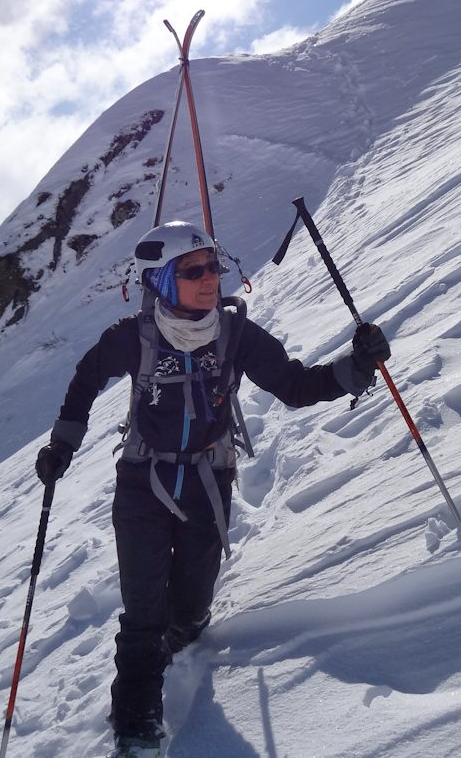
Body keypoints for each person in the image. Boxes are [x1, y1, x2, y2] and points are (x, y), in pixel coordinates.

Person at [34, 220, 390, 758]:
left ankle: (181, 631)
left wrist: (357, 367)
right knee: (143, 613)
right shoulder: (133, 338)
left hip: (207, 479)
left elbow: (294, 386)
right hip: (143, 483)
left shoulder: (235, 334)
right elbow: (85, 379)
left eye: (212, 266)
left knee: (192, 606)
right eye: (192, 270)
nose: (210, 278)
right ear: (159, 281)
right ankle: (136, 727)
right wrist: (63, 444)